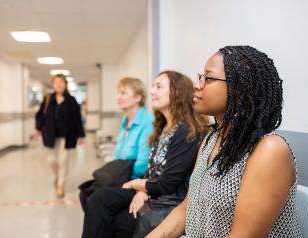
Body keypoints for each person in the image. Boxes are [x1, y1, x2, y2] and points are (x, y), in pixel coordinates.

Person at [147, 46, 302, 238]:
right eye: (200, 76)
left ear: (241, 89)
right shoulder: (210, 141)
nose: (197, 85)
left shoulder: (269, 149)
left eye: (209, 78)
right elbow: (186, 209)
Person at [82, 71, 209, 238]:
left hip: (167, 202)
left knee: (111, 216)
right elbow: (152, 171)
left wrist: (136, 185)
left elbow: (168, 183)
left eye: (159, 87)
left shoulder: (185, 131)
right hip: (154, 193)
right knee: (99, 197)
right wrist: (143, 191)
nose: (151, 92)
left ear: (177, 92)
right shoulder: (165, 127)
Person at [79, 77, 154, 210]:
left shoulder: (147, 122)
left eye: (123, 93)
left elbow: (142, 165)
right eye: (118, 93)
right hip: (121, 174)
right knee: (85, 192)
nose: (118, 97)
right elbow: (119, 155)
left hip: (134, 181)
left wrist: (119, 182)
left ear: (138, 97)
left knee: (95, 198)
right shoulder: (126, 120)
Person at [34, 74, 85, 198]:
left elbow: (78, 119)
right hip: (51, 135)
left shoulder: (72, 100)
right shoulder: (48, 99)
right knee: (51, 160)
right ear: (53, 84)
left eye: (61, 82)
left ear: (65, 84)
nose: (58, 84)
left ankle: (60, 185)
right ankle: (57, 176)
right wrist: (38, 128)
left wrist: (80, 135)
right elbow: (40, 115)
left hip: (66, 136)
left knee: (63, 161)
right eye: (56, 82)